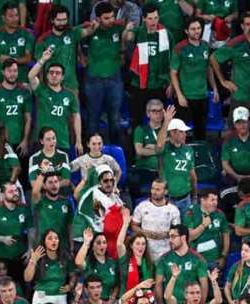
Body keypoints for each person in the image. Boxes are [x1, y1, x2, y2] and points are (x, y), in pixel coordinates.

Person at [83, 2, 125, 145]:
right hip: (93, 80)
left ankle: (115, 150)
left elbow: (129, 34)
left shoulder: (119, 27)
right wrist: (81, 57)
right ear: (98, 18)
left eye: (112, 16)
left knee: (115, 118)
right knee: (93, 119)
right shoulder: (90, 30)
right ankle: (91, 152)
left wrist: (123, 48)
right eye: (106, 18)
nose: (111, 20)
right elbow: (74, 38)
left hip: (114, 79)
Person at [170, 17, 214, 141]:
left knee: (201, 131)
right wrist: (179, 95)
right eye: (193, 29)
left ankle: (199, 157)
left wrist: (214, 88)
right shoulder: (180, 48)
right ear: (186, 31)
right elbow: (173, 73)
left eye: (199, 28)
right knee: (181, 132)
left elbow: (208, 69)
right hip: (186, 97)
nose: (197, 31)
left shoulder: (205, 46)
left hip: (202, 95)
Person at [28, 53, 81, 154]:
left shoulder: (69, 95)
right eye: (51, 72)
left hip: (62, 141)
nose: (54, 75)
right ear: (47, 75)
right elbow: (31, 76)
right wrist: (43, 59)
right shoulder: (41, 90)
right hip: (41, 141)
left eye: (58, 73)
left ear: (62, 77)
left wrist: (78, 140)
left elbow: (76, 117)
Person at [210, 12, 250, 117]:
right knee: (235, 132)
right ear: (242, 26)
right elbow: (213, 58)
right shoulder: (235, 44)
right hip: (240, 97)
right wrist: (223, 81)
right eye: (247, 24)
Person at [156, 108, 197, 214]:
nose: (185, 135)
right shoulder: (165, 148)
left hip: (186, 198)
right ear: (173, 133)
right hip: (168, 198)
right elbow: (159, 144)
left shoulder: (188, 150)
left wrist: (195, 196)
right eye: (182, 132)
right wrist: (166, 122)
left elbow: (192, 175)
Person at [131, 178, 181, 262]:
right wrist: (145, 233)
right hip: (145, 251)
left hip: (165, 251)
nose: (154, 192)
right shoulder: (142, 206)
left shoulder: (173, 209)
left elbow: (178, 231)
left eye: (158, 189)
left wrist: (166, 234)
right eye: (152, 188)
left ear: (165, 191)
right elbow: (134, 225)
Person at [0, 2, 33, 90]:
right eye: (11, 16)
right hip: (0, 83)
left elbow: (28, 58)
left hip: (21, 82)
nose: (15, 19)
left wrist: (11, 60)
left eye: (16, 15)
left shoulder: (27, 34)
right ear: (3, 18)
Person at [221, 107, 250, 187]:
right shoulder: (229, 139)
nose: (242, 126)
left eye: (244, 122)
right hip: (234, 178)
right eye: (238, 123)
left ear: (249, 122)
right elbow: (225, 163)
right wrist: (237, 176)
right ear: (234, 124)